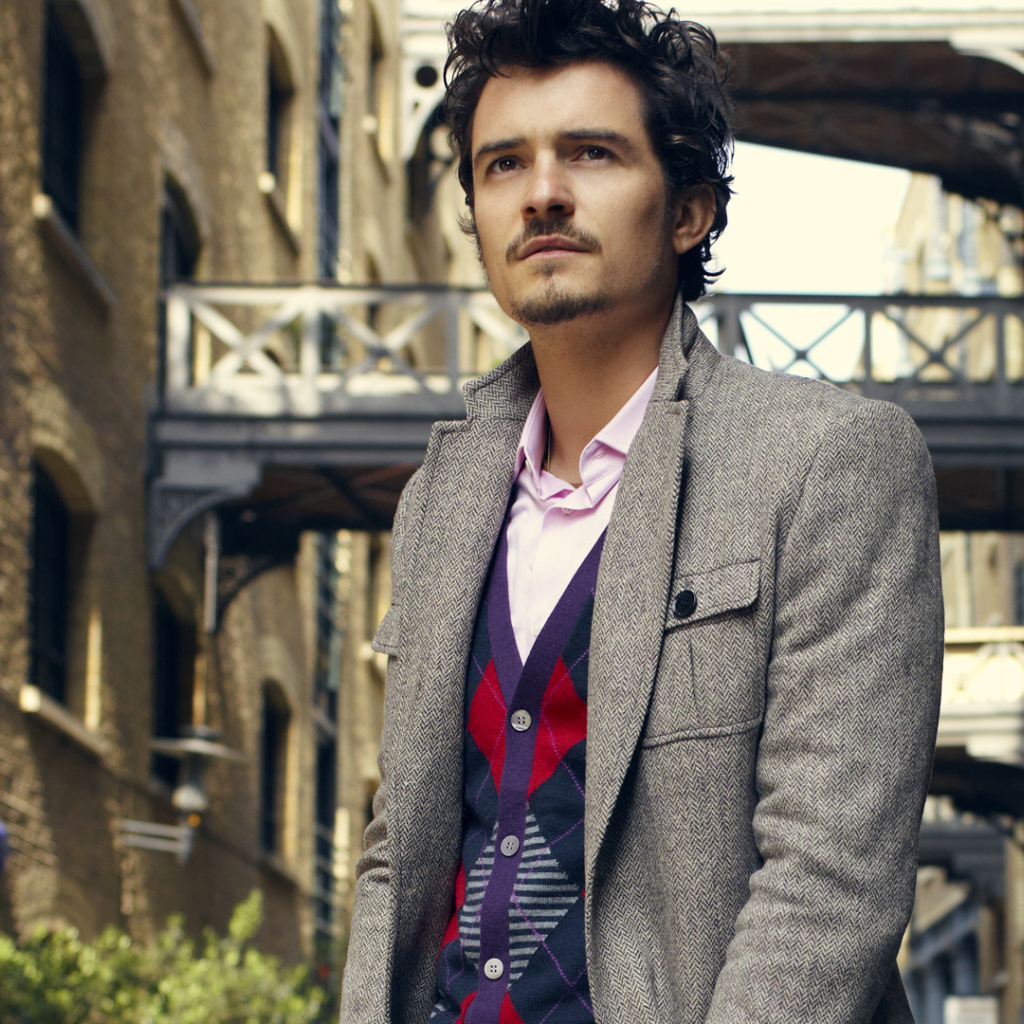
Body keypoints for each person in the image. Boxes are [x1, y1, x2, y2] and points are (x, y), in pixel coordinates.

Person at [339, 0, 944, 1020]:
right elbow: (400, 849)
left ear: (688, 211)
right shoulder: (439, 498)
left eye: (591, 153)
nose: (542, 193)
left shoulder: (828, 461)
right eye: (503, 164)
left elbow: (829, 884)